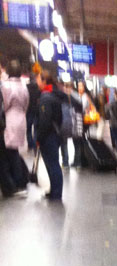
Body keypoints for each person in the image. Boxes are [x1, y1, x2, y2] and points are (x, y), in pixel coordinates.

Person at [1, 59, 29, 197]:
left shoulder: (5, 86)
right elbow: (26, 104)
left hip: (10, 120)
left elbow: (4, 105)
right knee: (14, 152)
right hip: (21, 120)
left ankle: (17, 184)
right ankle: (19, 182)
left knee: (9, 155)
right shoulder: (24, 86)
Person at [36, 69, 64, 201]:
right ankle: (54, 190)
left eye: (38, 79)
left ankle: (56, 193)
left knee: (52, 164)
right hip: (54, 134)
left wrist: (39, 137)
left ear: (44, 80)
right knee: (52, 164)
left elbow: (44, 121)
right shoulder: (53, 95)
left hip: (49, 136)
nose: (36, 81)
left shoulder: (46, 98)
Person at [26, 64, 41, 151]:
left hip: (29, 110)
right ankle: (35, 145)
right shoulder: (39, 88)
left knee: (28, 129)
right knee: (36, 129)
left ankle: (30, 144)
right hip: (37, 110)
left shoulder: (26, 87)